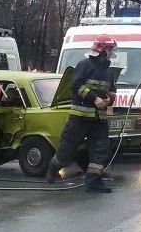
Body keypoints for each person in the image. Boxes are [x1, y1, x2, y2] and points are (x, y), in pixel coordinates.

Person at [45, 34, 117, 193]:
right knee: (67, 147)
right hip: (80, 117)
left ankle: (93, 182)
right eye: (110, 49)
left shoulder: (108, 72)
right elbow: (76, 85)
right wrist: (95, 98)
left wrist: (108, 100)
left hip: (99, 119)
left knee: (100, 151)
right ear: (102, 49)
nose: (112, 52)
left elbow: (112, 92)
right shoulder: (84, 65)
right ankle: (53, 167)